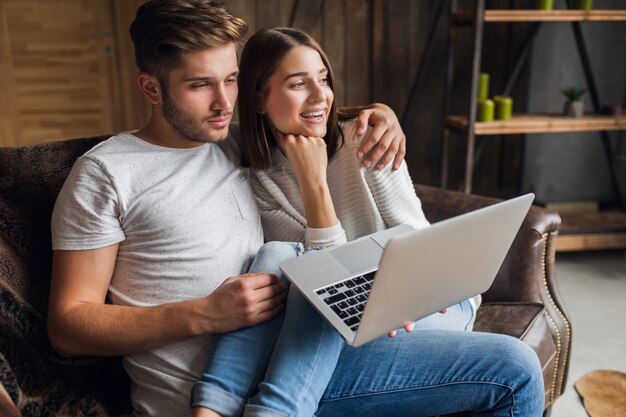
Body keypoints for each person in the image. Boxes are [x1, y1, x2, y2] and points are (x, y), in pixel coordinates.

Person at [47, 1, 411, 416]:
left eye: (232, 80)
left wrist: (381, 114)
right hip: (200, 397)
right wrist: (203, 314)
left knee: (502, 359)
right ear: (151, 88)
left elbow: (309, 106)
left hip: (302, 364)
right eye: (200, 85)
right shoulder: (106, 173)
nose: (224, 103)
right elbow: (68, 326)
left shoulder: (235, 143)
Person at [190, 28, 545, 417]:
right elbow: (323, 283)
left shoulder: (368, 140)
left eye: (323, 79)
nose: (319, 96)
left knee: (304, 280)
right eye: (297, 84)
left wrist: (318, 179)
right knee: (279, 255)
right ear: (259, 97)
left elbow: (425, 252)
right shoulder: (254, 174)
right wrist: (312, 184)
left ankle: (266, 408)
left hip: (425, 301)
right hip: (344, 314)